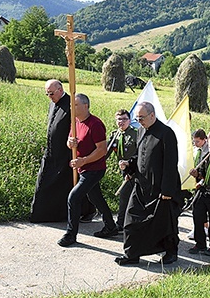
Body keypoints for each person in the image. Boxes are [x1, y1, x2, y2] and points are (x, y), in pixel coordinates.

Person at [114, 102, 182, 265]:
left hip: (161, 189)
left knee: (165, 223)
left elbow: (171, 163)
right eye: (137, 118)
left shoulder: (166, 134)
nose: (139, 121)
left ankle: (171, 252)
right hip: (141, 185)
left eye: (141, 118)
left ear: (152, 115)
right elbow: (140, 156)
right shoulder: (141, 131)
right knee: (130, 219)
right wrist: (129, 165)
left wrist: (167, 190)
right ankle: (131, 254)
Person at [57, 94, 118, 247]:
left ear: (85, 106)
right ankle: (111, 226)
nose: (72, 108)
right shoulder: (75, 122)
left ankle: (71, 235)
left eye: (75, 105)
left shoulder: (95, 124)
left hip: (94, 169)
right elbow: (70, 141)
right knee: (95, 198)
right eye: (71, 105)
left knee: (73, 197)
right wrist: (70, 143)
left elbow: (102, 150)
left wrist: (83, 160)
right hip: (82, 168)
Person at [31, 80, 95, 223]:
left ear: (60, 90)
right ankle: (44, 214)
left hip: (67, 154)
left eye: (51, 93)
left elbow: (81, 124)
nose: (49, 96)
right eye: (47, 94)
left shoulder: (72, 104)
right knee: (45, 183)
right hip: (52, 153)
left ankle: (86, 211)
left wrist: (74, 141)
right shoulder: (53, 103)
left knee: (69, 185)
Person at [106, 109, 138, 231]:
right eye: (119, 119)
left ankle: (121, 223)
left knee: (126, 195)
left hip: (134, 170)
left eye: (124, 119)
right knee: (127, 196)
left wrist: (130, 167)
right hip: (123, 170)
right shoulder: (115, 135)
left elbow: (140, 153)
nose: (121, 122)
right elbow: (107, 151)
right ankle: (126, 222)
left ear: (129, 120)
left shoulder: (135, 133)